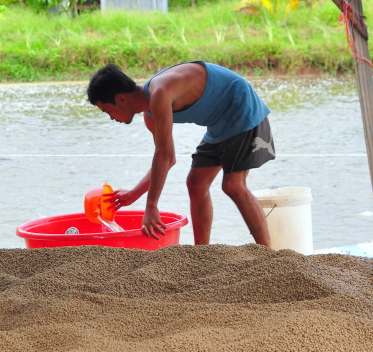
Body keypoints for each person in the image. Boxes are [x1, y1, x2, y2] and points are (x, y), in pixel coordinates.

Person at [87, 61, 275, 246]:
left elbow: (164, 154)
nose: (111, 117)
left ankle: (268, 253)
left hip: (241, 107)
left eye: (107, 111)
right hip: (219, 124)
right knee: (196, 183)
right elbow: (168, 160)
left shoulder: (159, 92)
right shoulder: (150, 115)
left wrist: (151, 206)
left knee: (233, 185)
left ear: (121, 99)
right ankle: (202, 252)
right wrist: (134, 194)